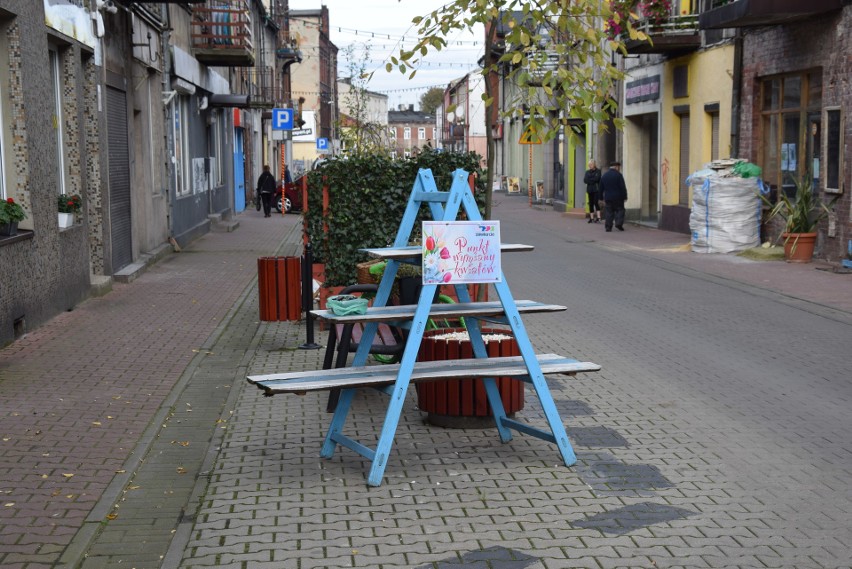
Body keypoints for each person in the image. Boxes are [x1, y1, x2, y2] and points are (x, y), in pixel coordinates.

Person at [599, 160, 628, 232]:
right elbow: (622, 187)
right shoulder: (619, 175)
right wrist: (625, 196)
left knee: (609, 212)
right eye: (618, 167)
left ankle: (608, 227)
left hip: (608, 197)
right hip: (618, 197)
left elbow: (601, 188)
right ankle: (618, 223)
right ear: (616, 167)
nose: (619, 168)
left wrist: (600, 198)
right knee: (620, 210)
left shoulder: (604, 175)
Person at [583, 159, 602, 223]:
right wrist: (592, 180)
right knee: (590, 203)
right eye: (589, 165)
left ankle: (598, 217)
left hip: (596, 189)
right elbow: (585, 180)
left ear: (594, 164)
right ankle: (591, 218)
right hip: (590, 190)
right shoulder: (587, 172)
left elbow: (597, 179)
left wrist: (590, 180)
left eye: (591, 164)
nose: (590, 166)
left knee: (596, 203)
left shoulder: (598, 171)